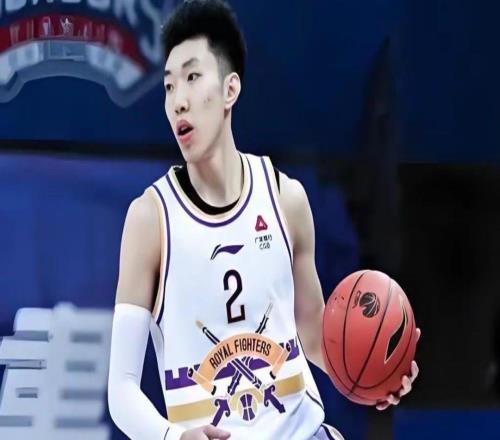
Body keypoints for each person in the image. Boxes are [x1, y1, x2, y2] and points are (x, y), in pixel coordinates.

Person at [107, 1, 420, 439]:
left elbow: (315, 335)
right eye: (169, 86)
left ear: (230, 89)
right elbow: (121, 390)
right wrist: (173, 436)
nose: (178, 101)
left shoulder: (285, 199)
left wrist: (372, 372)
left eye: (192, 78)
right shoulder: (150, 220)